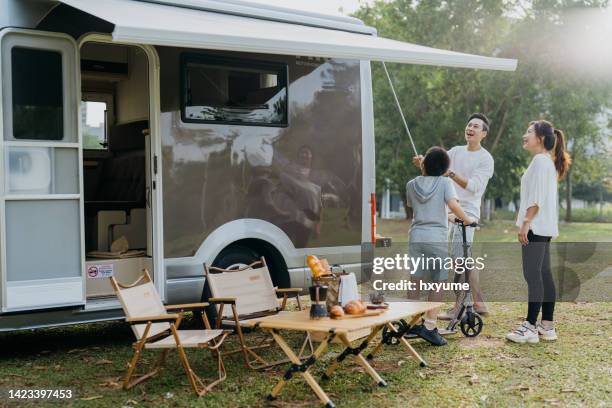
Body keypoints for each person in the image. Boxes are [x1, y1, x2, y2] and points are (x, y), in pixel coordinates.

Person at [412, 113, 494, 318]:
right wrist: (423, 164)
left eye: (476, 126)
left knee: (461, 258)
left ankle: (460, 307)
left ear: (483, 134)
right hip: (447, 209)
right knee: (461, 258)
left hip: (468, 211)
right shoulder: (455, 151)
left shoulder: (486, 158)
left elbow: (474, 187)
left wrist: (450, 174)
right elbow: (436, 168)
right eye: (469, 124)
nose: (471, 128)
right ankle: (478, 302)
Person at [506, 120, 571, 344]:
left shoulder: (540, 161)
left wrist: (526, 222)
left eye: (529, 132)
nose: (525, 135)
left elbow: (537, 198)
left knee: (533, 275)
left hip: (535, 227)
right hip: (543, 227)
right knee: (543, 274)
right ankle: (547, 326)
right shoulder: (545, 162)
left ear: (540, 138)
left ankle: (530, 327)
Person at [405, 147, 475, 346]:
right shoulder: (445, 182)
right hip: (436, 238)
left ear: (424, 164)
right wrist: (467, 220)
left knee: (416, 279)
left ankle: (413, 323)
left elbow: (423, 208)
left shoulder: (411, 184)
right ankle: (429, 325)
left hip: (417, 236)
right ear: (445, 169)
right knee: (438, 281)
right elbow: (452, 205)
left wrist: (449, 218)